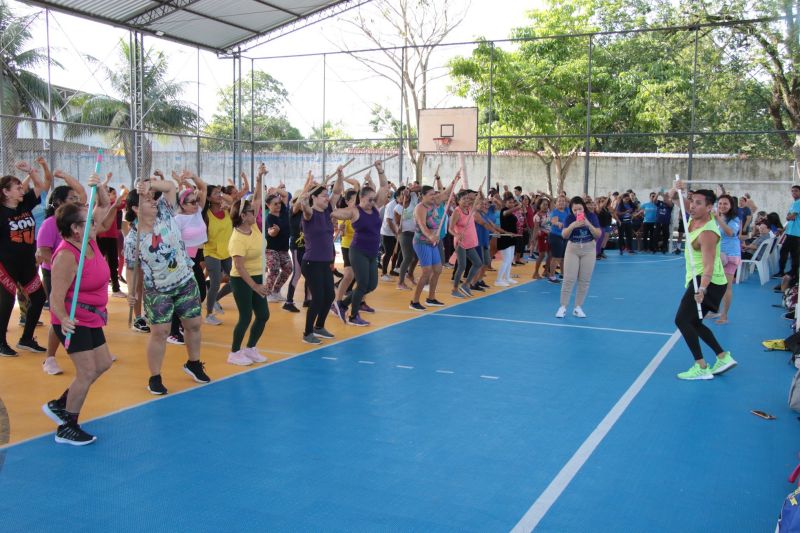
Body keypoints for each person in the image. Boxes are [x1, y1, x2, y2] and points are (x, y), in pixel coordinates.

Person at [40, 175, 114, 445]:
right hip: (73, 319)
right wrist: (63, 319)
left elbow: (105, 204)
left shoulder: (89, 239)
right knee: (85, 371)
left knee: (103, 364)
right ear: (74, 229)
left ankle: (60, 404)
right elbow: (55, 298)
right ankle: (67, 426)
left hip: (92, 317)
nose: (95, 224)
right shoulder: (67, 256)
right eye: (89, 221)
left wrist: (97, 185)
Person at [125, 178, 210, 394]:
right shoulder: (133, 238)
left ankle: (194, 362)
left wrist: (148, 184)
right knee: (160, 333)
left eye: (152, 197)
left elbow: (171, 186)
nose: (153, 201)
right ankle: (155, 377)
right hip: (158, 290)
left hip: (184, 280)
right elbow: (132, 268)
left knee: (193, 325)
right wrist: (131, 293)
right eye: (146, 200)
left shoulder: (165, 211)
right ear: (135, 208)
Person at [670, 184, 736, 380]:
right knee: (695, 323)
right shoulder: (693, 218)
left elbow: (708, 265)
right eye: (692, 202)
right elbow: (675, 200)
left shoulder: (708, 232)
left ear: (709, 208)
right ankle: (723, 357)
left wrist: (703, 289)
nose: (692, 206)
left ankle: (701, 366)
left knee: (682, 320)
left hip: (708, 281)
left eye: (698, 203)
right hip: (701, 278)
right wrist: (677, 189)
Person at [36, 172, 87, 375]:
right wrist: (63, 267)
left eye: (76, 199)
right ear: (58, 203)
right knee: (59, 315)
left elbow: (84, 193)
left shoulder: (78, 222)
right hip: (55, 275)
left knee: (82, 312)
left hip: (78, 275)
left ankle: (92, 350)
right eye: (71, 199)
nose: (76, 201)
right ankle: (50, 358)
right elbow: (44, 252)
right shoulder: (50, 224)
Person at [0, 159, 52, 356]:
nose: (23, 190)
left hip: (27, 264)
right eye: (18, 188)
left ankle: (26, 338)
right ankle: (1, 342)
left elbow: (42, 186)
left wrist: (31, 169)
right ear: (6, 192)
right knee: (6, 301)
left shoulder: (25, 205)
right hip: (6, 265)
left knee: (39, 297)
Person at [331, 161, 389, 326]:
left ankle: (342, 304)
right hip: (358, 251)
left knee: (371, 285)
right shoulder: (355, 211)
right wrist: (331, 213)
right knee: (362, 283)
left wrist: (380, 170)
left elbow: (384, 188)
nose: (372, 202)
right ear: (361, 197)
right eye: (369, 199)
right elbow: (338, 213)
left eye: (373, 199)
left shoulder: (376, 207)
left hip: (372, 252)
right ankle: (353, 316)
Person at [298, 167, 344, 343]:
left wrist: (340, 175)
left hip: (325, 262)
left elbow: (338, 191)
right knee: (318, 298)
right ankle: (307, 333)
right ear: (314, 198)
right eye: (323, 195)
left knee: (329, 296)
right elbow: (305, 208)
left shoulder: (327, 210)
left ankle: (319, 327)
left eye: (327, 195)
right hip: (311, 263)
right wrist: (303, 201)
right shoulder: (310, 213)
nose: (327, 197)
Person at [227, 197, 269, 365]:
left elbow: (258, 199)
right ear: (243, 216)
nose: (256, 213)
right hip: (242, 279)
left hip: (257, 276)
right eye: (252, 212)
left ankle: (250, 348)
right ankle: (234, 352)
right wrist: (255, 286)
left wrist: (259, 178)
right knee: (245, 316)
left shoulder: (254, 228)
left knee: (263, 315)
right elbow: (239, 267)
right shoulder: (237, 239)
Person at [168, 171, 208, 344]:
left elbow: (203, 188)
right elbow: (172, 242)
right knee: (182, 295)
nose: (195, 204)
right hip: (182, 261)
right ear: (182, 205)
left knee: (200, 293)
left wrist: (193, 176)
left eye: (196, 201)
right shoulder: (178, 219)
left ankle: (184, 322)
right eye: (191, 202)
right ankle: (173, 332)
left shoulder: (198, 212)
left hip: (195, 257)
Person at [409, 175, 459, 311]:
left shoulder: (435, 203)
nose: (433, 197)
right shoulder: (420, 208)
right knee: (426, 271)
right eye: (430, 195)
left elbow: (446, 193)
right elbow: (422, 225)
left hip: (433, 242)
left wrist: (454, 181)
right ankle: (414, 301)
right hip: (421, 242)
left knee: (437, 269)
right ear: (423, 196)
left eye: (434, 194)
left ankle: (431, 298)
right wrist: (430, 235)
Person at [556, 196, 601, 318]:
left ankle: (578, 307)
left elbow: (598, 234)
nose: (577, 212)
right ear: (571, 210)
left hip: (589, 249)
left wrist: (588, 224)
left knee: (584, 280)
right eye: (574, 210)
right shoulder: (569, 218)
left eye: (580, 209)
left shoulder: (591, 216)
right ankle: (563, 306)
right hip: (573, 249)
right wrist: (573, 225)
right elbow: (564, 235)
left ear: (584, 207)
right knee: (569, 279)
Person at [202, 185, 233, 325]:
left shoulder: (227, 210)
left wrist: (221, 195)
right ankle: (209, 314)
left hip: (226, 252)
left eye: (220, 192)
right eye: (215, 193)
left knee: (235, 281)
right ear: (208, 197)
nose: (219, 195)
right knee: (215, 282)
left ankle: (215, 299)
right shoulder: (206, 215)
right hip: (211, 252)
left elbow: (232, 200)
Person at [709, 194, 741, 325]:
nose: (722, 206)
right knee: (713, 284)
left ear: (731, 205)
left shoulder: (734, 220)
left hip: (730, 256)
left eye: (725, 204)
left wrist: (717, 218)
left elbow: (730, 233)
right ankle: (714, 309)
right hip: (718, 255)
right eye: (720, 203)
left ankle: (724, 315)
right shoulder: (717, 217)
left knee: (726, 287)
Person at [449, 189, 484, 298]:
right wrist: (456, 234)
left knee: (478, 263)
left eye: (467, 199)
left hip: (470, 242)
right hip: (460, 242)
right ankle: (454, 289)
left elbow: (479, 200)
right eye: (463, 199)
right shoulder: (457, 211)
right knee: (462, 265)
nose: (466, 201)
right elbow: (450, 228)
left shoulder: (470, 209)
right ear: (458, 201)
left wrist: (477, 193)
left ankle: (466, 284)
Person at [264, 189, 293, 302]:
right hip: (271, 249)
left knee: (288, 268)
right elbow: (271, 233)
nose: (278, 205)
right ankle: (267, 293)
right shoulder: (270, 217)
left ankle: (276, 291)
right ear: (268, 205)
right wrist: (275, 231)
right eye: (275, 204)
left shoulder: (284, 211)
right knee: (274, 269)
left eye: (279, 203)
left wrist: (276, 190)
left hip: (283, 248)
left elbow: (285, 194)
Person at [778, 185, 800, 278]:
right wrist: (783, 229)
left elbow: (791, 216)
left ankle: (790, 272)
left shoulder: (798, 203)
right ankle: (788, 271)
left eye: (796, 191)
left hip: (796, 233)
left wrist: (789, 216)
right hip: (790, 232)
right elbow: (788, 217)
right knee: (788, 253)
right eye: (792, 191)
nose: (793, 193)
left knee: (792, 254)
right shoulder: (793, 203)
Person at [547, 195, 570, 282]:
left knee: (563, 257)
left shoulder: (567, 210)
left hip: (565, 237)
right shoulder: (555, 212)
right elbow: (554, 221)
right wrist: (558, 224)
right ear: (556, 204)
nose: (561, 202)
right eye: (559, 201)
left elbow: (571, 202)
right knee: (556, 257)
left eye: (563, 201)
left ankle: (562, 274)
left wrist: (563, 196)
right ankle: (552, 276)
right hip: (555, 237)